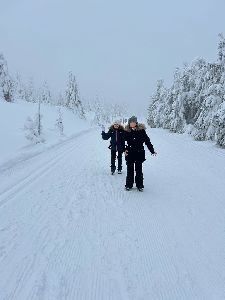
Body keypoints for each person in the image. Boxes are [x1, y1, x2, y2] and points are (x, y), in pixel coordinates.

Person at [124, 116, 157, 191]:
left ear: (136, 123)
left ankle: (140, 185)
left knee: (139, 170)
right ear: (129, 123)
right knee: (130, 170)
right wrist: (124, 149)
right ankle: (129, 185)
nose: (132, 124)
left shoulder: (141, 131)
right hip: (129, 153)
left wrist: (152, 150)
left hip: (139, 153)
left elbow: (147, 141)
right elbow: (122, 142)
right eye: (130, 122)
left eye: (133, 122)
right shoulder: (127, 131)